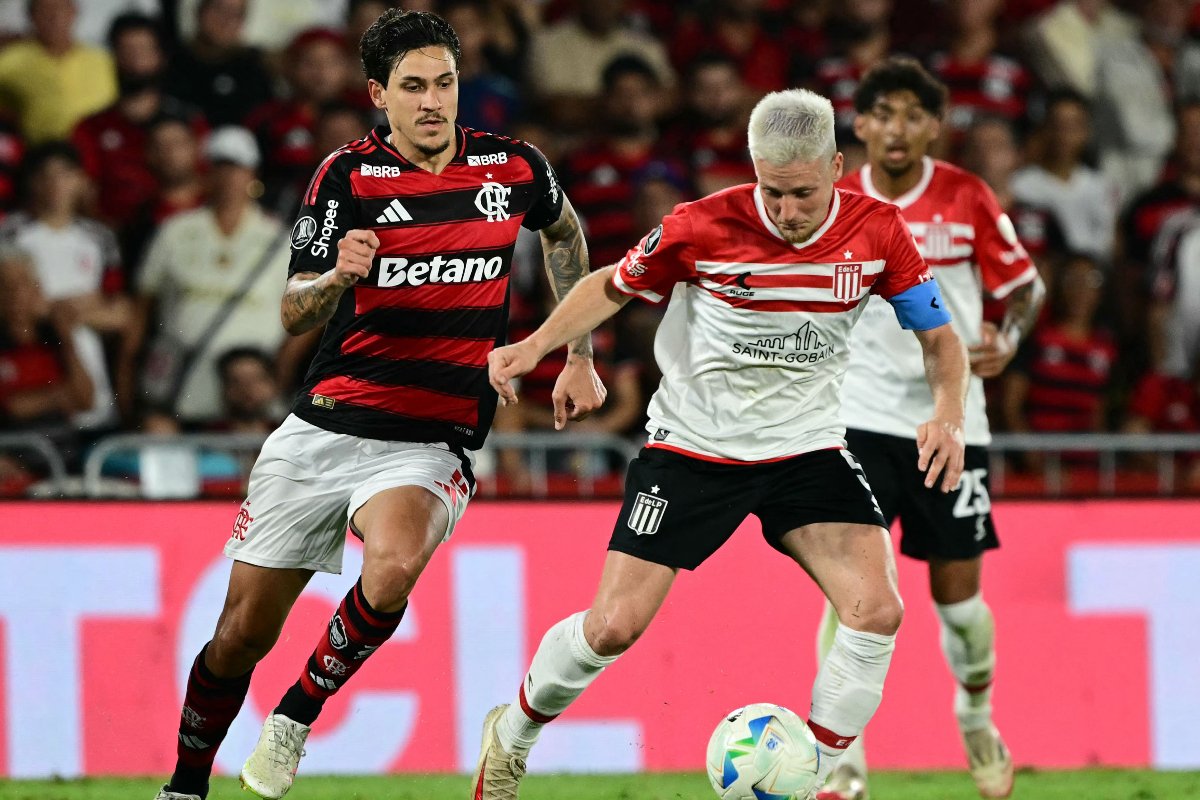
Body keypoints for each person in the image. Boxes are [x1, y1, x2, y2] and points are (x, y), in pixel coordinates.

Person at [152, 10, 604, 800]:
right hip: (326, 425)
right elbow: (292, 309)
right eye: (414, 86)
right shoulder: (347, 177)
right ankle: (186, 786)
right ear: (377, 94)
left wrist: (579, 353)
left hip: (431, 437)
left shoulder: (513, 167)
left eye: (445, 83)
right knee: (238, 637)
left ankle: (295, 716)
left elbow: (565, 235)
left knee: (392, 568)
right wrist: (335, 277)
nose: (433, 101)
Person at [472, 87, 970, 800]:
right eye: (772, 192)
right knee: (612, 628)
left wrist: (948, 413)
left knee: (877, 611)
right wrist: (541, 347)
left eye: (802, 194)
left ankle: (809, 779)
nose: (787, 212)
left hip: (807, 449)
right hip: (693, 448)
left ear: (836, 167)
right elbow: (612, 286)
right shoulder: (701, 225)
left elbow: (940, 340)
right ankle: (513, 734)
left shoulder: (879, 231)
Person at [820, 57, 1046, 800]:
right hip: (855, 416)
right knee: (852, 594)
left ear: (934, 126)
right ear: (860, 124)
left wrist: (1009, 337)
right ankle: (841, 758)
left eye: (913, 115)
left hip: (951, 419)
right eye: (883, 113)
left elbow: (1026, 288)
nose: (897, 128)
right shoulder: (833, 200)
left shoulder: (967, 195)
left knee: (961, 608)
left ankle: (975, 715)